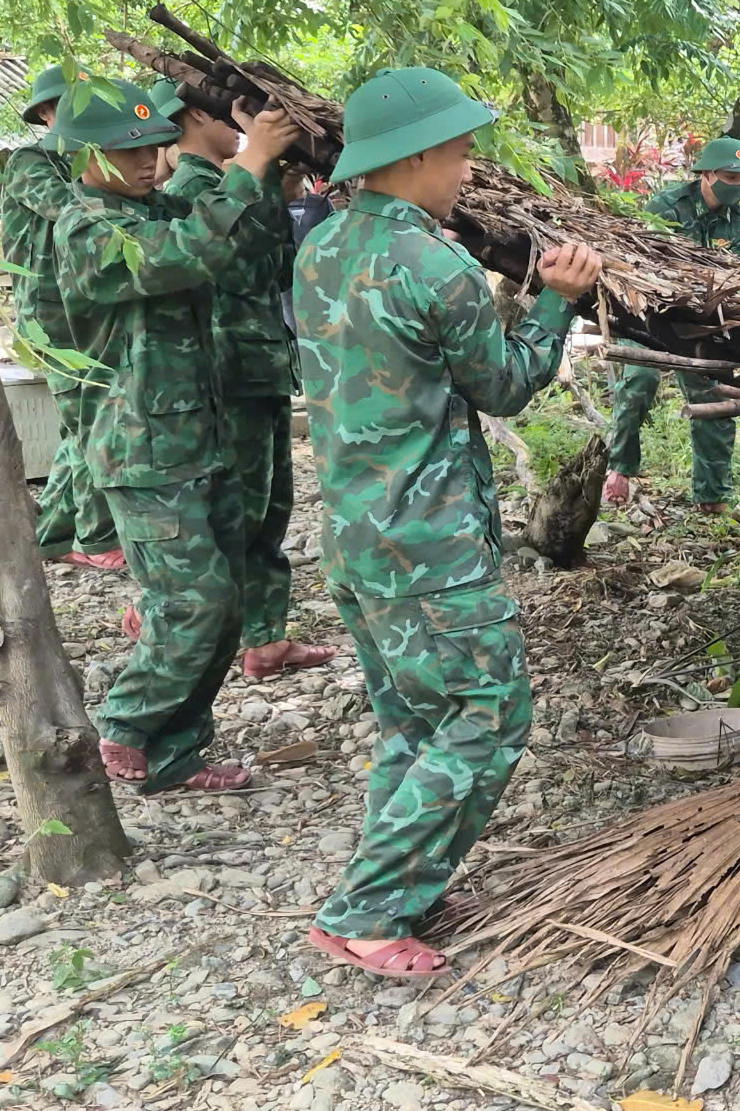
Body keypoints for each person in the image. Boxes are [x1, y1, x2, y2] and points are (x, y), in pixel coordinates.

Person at [293, 66, 603, 980]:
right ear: (419, 153)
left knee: (415, 723)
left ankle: (402, 889)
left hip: (356, 534)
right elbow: (504, 383)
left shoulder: (318, 249)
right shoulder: (437, 265)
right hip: (431, 545)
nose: (467, 169)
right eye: (461, 150)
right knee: (490, 713)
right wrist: (556, 301)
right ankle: (362, 910)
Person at [41, 78, 293, 793]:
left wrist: (269, 164)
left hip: (196, 439)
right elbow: (179, 251)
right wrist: (249, 162)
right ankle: (126, 721)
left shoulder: (151, 205)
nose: (152, 162)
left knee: (226, 602)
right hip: (141, 451)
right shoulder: (86, 225)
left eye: (156, 146)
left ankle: (177, 753)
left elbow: (233, 239)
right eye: (133, 152)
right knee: (196, 603)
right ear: (85, 153)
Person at [157, 88, 334, 680]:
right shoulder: (191, 192)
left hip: (258, 368)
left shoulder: (226, 185)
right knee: (236, 511)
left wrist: (278, 196)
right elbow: (232, 266)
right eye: (225, 118)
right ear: (197, 117)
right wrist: (258, 183)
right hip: (229, 373)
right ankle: (206, 634)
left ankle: (265, 635)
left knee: (268, 510)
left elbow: (276, 267)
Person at [602, 135, 740, 514]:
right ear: (706, 174)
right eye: (730, 177)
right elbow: (641, 259)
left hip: (703, 324)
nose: (737, 186)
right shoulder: (667, 207)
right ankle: (620, 469)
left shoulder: (739, 224)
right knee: (638, 383)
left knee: (717, 397)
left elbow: (736, 279)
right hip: (652, 316)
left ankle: (713, 496)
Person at [3, 65, 122, 571]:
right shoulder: (31, 161)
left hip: (86, 307)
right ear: (47, 113)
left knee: (81, 423)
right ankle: (95, 538)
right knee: (92, 419)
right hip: (51, 313)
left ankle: (54, 533)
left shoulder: (92, 161)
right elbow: (73, 207)